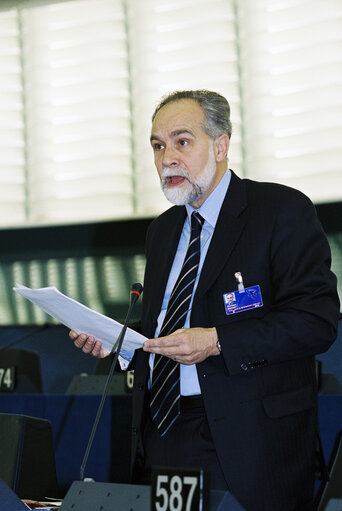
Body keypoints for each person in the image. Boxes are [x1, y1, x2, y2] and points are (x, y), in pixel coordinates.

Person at [69, 90, 340, 511]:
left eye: (182, 141)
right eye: (158, 146)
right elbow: (165, 327)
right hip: (163, 432)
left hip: (250, 441)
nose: (167, 158)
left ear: (220, 144)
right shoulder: (162, 231)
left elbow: (316, 319)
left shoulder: (279, 210)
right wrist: (118, 341)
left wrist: (217, 341)